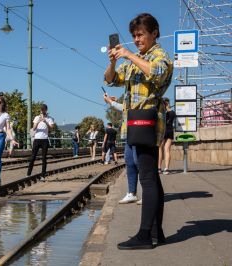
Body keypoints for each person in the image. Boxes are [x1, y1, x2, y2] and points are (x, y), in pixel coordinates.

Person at [104, 13, 173, 249]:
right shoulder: (135, 59)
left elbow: (157, 73)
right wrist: (114, 60)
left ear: (154, 33)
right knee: (151, 177)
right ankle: (156, 233)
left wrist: (129, 55)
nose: (136, 39)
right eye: (134, 35)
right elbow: (111, 80)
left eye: (141, 34)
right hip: (135, 124)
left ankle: (145, 235)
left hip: (148, 122)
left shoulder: (159, 55)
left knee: (147, 177)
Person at [104, 94, 140, 204]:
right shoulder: (130, 89)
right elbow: (126, 107)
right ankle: (131, 193)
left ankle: (147, 194)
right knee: (129, 163)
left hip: (138, 130)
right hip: (128, 132)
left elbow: (128, 110)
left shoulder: (139, 90)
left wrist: (111, 103)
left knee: (139, 162)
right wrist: (112, 101)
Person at [27, 104, 55, 180]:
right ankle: (28, 174)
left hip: (45, 140)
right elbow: (33, 128)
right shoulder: (37, 117)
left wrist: (45, 122)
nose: (43, 111)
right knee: (33, 157)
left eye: (44, 110)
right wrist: (38, 121)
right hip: (37, 139)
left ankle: (43, 175)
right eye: (42, 110)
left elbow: (51, 129)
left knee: (44, 158)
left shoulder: (49, 118)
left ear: (46, 110)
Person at [158, 98, 176, 175]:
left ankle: (159, 168)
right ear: (168, 103)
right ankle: (166, 169)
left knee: (160, 149)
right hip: (170, 131)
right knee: (167, 150)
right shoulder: (173, 113)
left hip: (162, 131)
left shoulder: (161, 113)